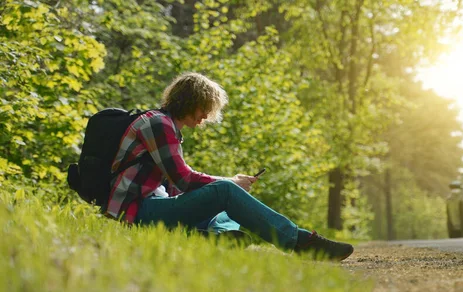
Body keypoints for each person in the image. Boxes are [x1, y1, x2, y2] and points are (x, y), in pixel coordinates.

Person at [104, 72, 354, 261]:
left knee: (223, 209)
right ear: (189, 101)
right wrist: (230, 183)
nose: (204, 117)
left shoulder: (168, 127)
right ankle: (300, 241)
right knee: (226, 192)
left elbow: (175, 187)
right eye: (204, 109)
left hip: (152, 206)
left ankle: (219, 238)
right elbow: (184, 180)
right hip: (137, 212)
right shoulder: (158, 124)